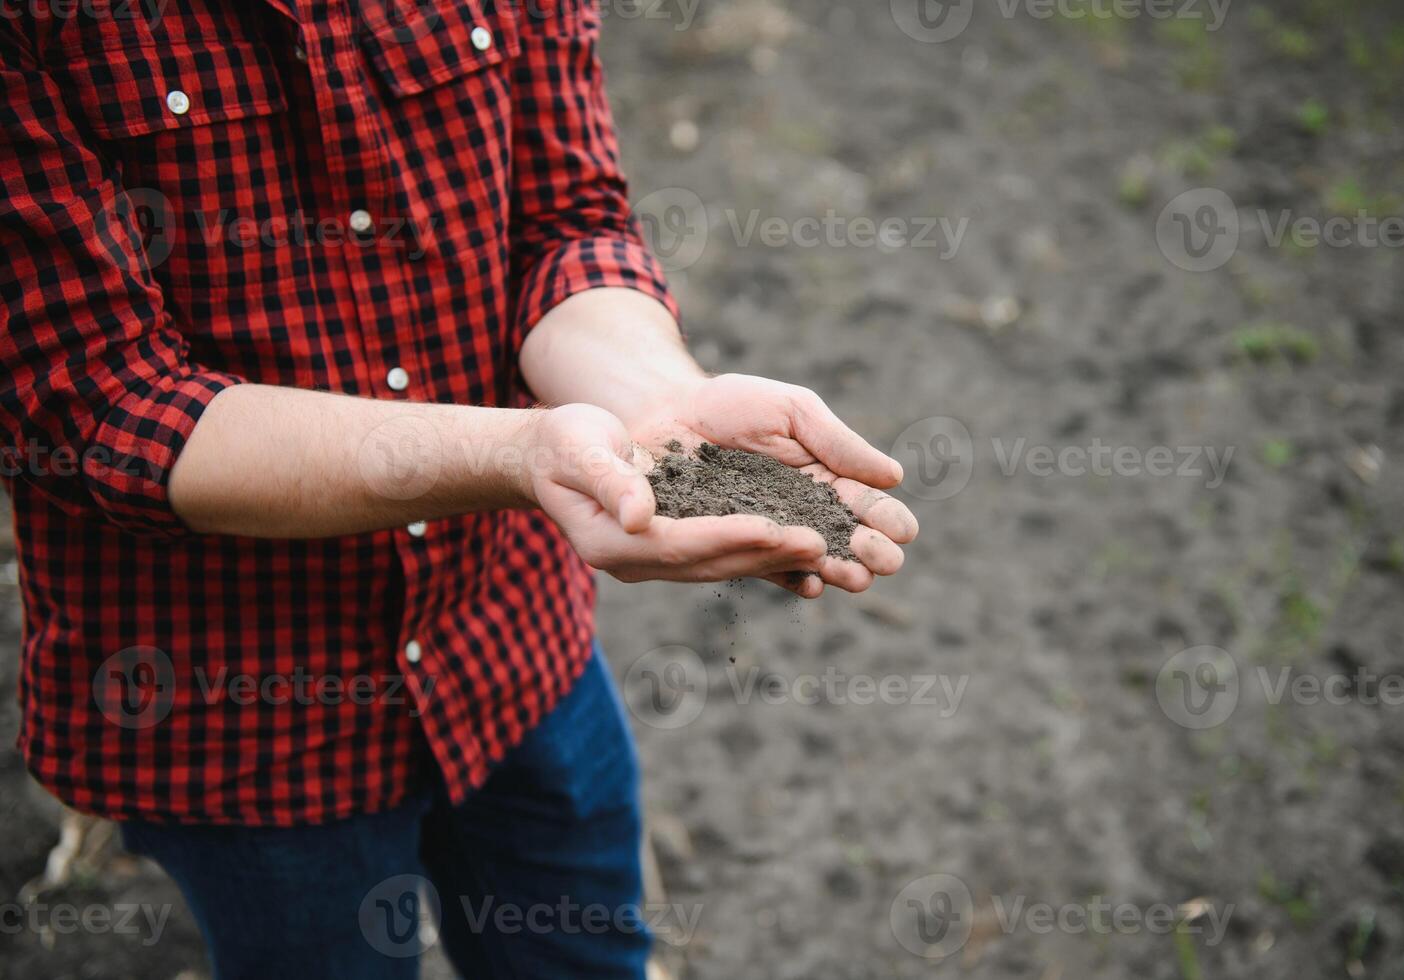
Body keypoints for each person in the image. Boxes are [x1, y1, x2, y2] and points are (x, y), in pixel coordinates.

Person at [0, 1, 917, 977]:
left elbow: (567, 225)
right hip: (245, 715)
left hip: (510, 637)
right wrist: (522, 455)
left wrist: (667, 402)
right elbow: (107, 407)